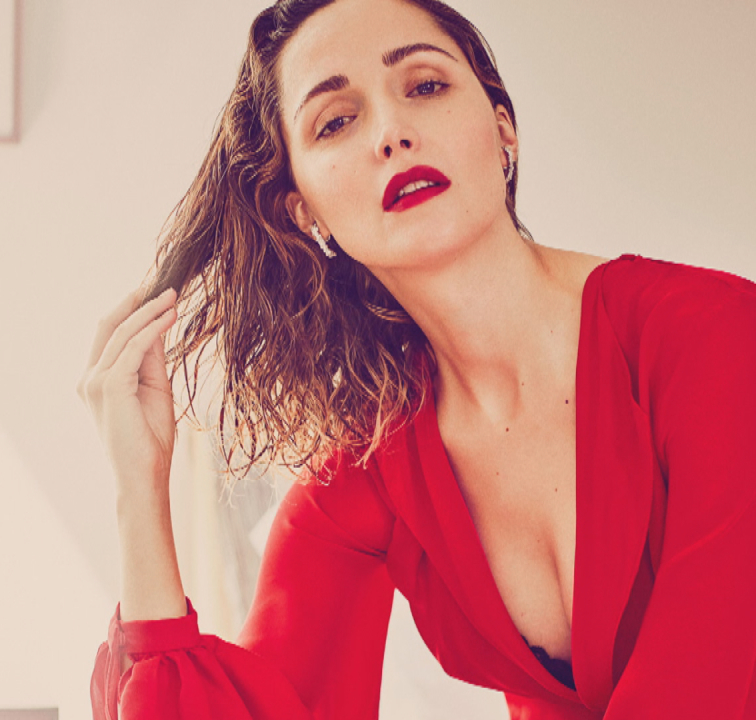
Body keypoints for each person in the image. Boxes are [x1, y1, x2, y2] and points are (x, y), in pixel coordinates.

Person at [77, 0, 756, 718]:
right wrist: (138, 490)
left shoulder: (715, 339)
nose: (392, 133)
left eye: (425, 86)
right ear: (304, 211)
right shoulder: (372, 462)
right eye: (336, 122)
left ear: (503, 129)